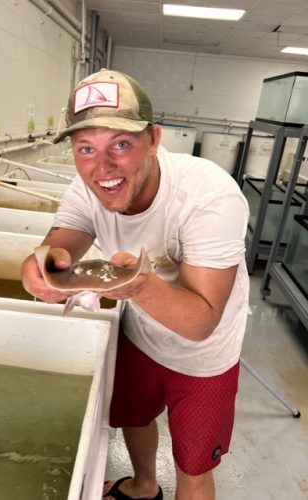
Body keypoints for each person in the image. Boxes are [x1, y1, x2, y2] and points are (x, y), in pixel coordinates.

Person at [21, 68, 249, 500]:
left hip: (205, 356)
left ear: (154, 140)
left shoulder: (209, 197)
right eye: (85, 148)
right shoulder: (85, 188)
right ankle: (144, 485)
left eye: (120, 144)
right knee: (133, 414)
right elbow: (62, 240)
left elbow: (202, 321)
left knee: (194, 466)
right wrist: (42, 266)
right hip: (140, 334)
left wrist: (139, 287)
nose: (101, 167)